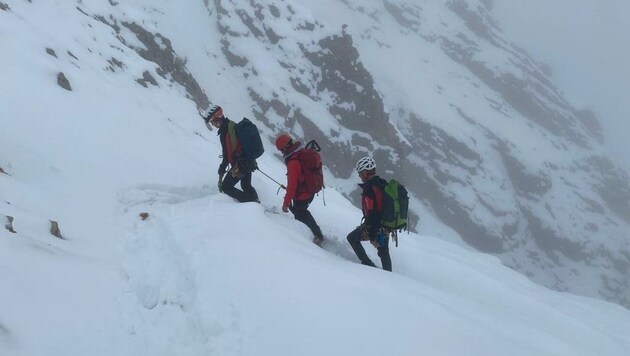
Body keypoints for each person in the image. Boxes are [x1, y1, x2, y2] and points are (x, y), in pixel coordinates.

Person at [275, 134, 325, 246]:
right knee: (300, 212)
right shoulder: (300, 152)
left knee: (301, 214)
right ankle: (315, 233)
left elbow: (292, 186)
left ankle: (316, 235)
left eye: (281, 150)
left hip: (302, 195)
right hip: (308, 191)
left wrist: (285, 204)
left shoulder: (293, 163)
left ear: (285, 147)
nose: (282, 152)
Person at [204, 105, 259, 203]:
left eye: (212, 122)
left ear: (216, 119)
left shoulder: (225, 132)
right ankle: (255, 201)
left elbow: (226, 155)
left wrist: (222, 168)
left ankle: (249, 203)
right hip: (248, 161)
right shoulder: (233, 126)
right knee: (246, 185)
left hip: (240, 164)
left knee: (226, 187)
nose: (212, 125)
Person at [346, 156, 392, 271]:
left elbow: (372, 212)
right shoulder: (382, 183)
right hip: (386, 225)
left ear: (365, 172)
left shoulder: (369, 188)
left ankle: (368, 266)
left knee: (352, 238)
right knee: (383, 252)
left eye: (360, 173)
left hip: (375, 226)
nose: (360, 175)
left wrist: (371, 231)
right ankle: (390, 276)